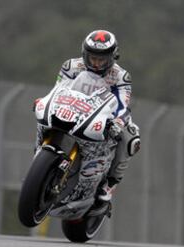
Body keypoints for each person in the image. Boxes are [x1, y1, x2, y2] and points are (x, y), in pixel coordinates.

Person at [37, 30, 141, 204]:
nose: (97, 63)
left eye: (102, 59)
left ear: (112, 58)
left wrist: (117, 122)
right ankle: (39, 152)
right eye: (93, 58)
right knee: (41, 111)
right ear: (84, 54)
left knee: (131, 136)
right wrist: (45, 101)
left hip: (104, 115)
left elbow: (123, 106)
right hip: (71, 107)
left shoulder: (121, 77)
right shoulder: (71, 66)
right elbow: (57, 90)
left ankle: (109, 185)